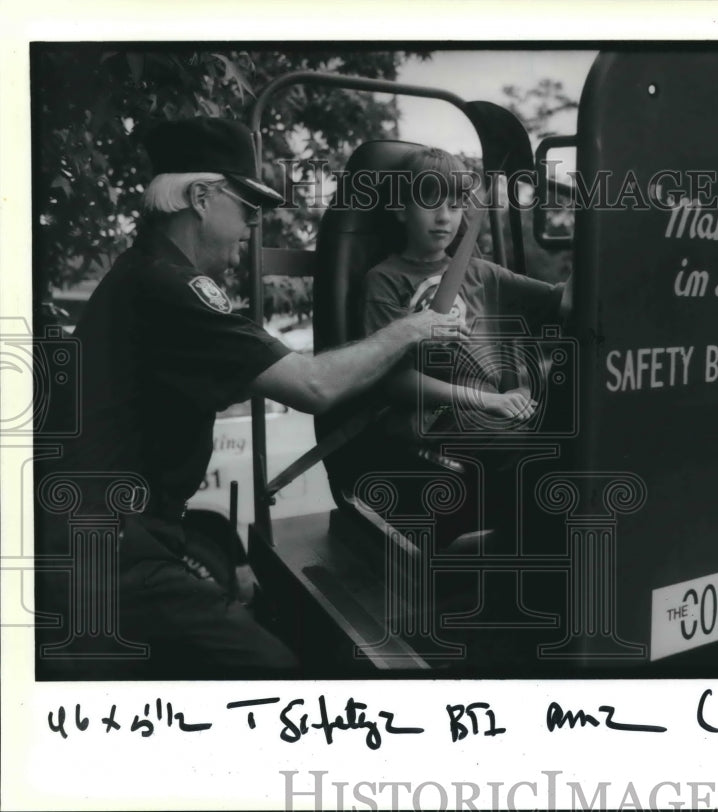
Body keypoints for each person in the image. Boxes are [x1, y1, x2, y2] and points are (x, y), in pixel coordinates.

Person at [35, 118, 460, 679]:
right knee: (274, 676)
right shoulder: (172, 289)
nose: (253, 224)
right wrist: (411, 329)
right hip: (106, 554)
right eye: (246, 203)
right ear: (201, 198)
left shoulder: (144, 275)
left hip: (112, 535)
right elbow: (314, 387)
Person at [360, 147, 572, 542]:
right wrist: (486, 400)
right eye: (429, 201)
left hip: (491, 414)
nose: (444, 216)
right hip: (431, 420)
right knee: (538, 454)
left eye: (456, 204)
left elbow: (564, 301)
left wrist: (597, 243)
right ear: (401, 209)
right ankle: (493, 546)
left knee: (577, 435)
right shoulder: (385, 280)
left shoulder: (481, 273)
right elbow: (393, 380)